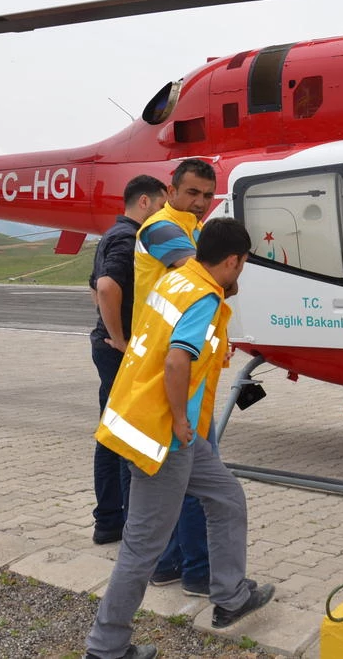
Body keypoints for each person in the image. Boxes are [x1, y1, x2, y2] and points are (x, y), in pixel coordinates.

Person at [86, 218, 274, 659]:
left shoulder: (177, 279)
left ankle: (230, 596)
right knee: (143, 546)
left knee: (227, 497)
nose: (240, 273)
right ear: (231, 261)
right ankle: (105, 647)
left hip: (168, 431)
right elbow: (176, 363)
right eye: (242, 265)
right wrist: (179, 421)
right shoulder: (204, 297)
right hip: (165, 436)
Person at [134, 158, 217, 597]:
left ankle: (166, 565)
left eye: (207, 195)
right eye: (192, 193)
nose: (201, 203)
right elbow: (201, 271)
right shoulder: (162, 228)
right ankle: (200, 574)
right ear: (171, 190)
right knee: (195, 482)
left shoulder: (192, 229)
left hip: (186, 369)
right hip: (174, 372)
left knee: (176, 475)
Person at [88, 175, 167, 545]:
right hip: (118, 350)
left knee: (109, 434)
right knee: (125, 438)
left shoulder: (109, 235)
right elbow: (105, 287)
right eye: (163, 204)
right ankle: (130, 527)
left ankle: (108, 522)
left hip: (105, 347)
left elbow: (95, 286)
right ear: (146, 203)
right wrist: (121, 339)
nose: (165, 213)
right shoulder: (128, 238)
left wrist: (108, 329)